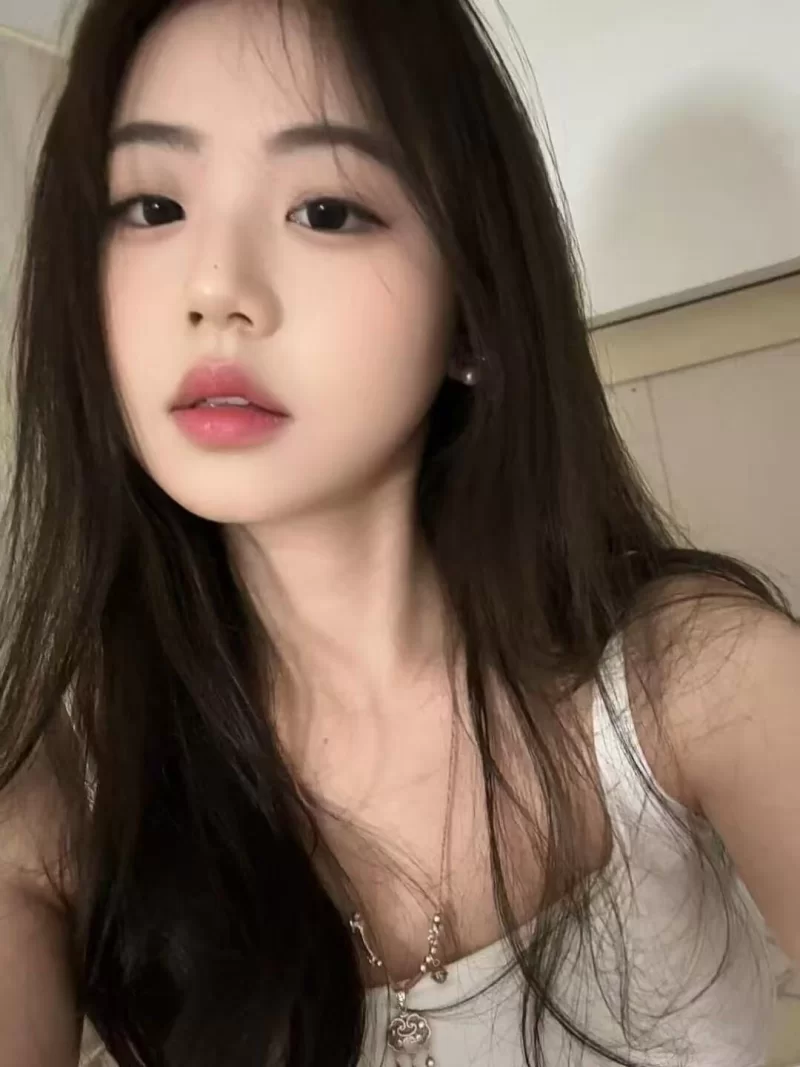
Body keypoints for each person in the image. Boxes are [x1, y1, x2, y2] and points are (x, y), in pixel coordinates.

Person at [0, 0, 798, 1064]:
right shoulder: (67, 808)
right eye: (152, 206)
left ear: (470, 306)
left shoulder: (695, 682)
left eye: (326, 209)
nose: (215, 288)